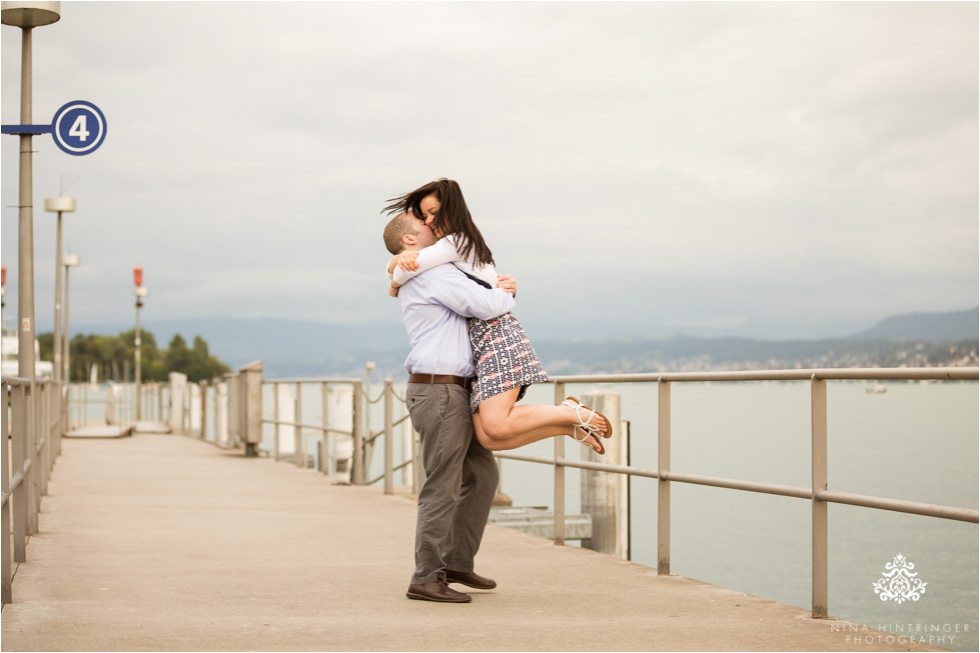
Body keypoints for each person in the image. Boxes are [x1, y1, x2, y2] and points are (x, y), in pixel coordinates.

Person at [384, 179, 610, 455]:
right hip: (481, 341)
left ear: (452, 208)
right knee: (489, 438)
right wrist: (399, 260)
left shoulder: (457, 240)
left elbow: (410, 268)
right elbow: (412, 263)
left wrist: (396, 273)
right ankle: (565, 425)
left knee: (497, 426)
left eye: (432, 212)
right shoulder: (451, 246)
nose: (430, 221)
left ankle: (567, 411)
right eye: (425, 216)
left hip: (496, 334)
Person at [382, 212, 512, 603]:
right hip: (439, 391)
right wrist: (507, 289)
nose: (432, 225)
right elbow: (487, 305)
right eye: (422, 223)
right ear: (409, 240)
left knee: (483, 476)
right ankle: (426, 576)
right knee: (442, 485)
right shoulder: (431, 274)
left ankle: (455, 562)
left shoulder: (426, 270)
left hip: (450, 389)